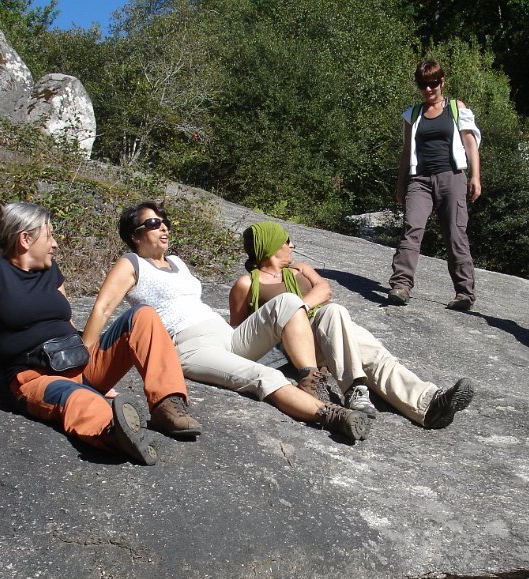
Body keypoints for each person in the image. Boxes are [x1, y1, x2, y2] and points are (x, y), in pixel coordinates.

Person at [0, 202, 200, 466]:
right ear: (25, 239)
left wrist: (97, 369)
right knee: (81, 399)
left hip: (79, 363)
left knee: (143, 315)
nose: (55, 244)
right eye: (49, 236)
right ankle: (114, 431)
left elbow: (67, 322)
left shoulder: (50, 269)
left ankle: (167, 405)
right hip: (36, 377)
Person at [81, 202, 371, 442]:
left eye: (164, 221)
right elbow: (103, 309)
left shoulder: (177, 262)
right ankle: (331, 415)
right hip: (191, 346)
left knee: (288, 301)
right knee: (265, 376)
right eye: (154, 223)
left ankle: (309, 379)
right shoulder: (131, 263)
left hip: (228, 336)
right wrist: (84, 362)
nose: (164, 228)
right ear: (135, 235)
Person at [229, 221, 475, 429]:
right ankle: (355, 389)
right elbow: (241, 334)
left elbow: (325, 290)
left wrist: (297, 309)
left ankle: (430, 405)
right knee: (335, 313)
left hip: (328, 330)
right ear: (273, 244)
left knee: (373, 354)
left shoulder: (300, 269)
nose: (292, 245)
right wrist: (292, 317)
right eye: (287, 241)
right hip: (294, 346)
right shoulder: (246, 284)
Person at [388, 59, 482, 312]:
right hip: (419, 180)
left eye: (433, 83)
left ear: (442, 82)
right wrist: (400, 186)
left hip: (451, 176)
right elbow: (406, 152)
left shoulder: (456, 108)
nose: (428, 89)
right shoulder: (413, 115)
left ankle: (464, 293)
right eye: (423, 84)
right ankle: (400, 286)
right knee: (412, 227)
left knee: (455, 233)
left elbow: (470, 143)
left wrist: (475, 177)